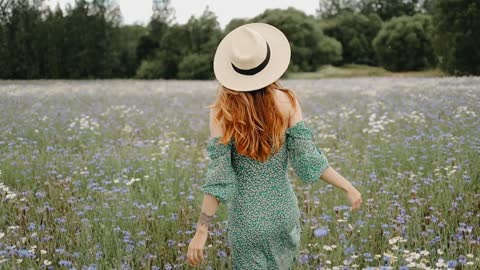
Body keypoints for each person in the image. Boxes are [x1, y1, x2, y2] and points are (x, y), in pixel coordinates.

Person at [187, 23, 362, 269]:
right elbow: (308, 159)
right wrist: (348, 186)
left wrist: (202, 231)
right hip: (284, 214)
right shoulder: (288, 101)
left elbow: (219, 178)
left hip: (247, 220)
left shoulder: (222, 112)